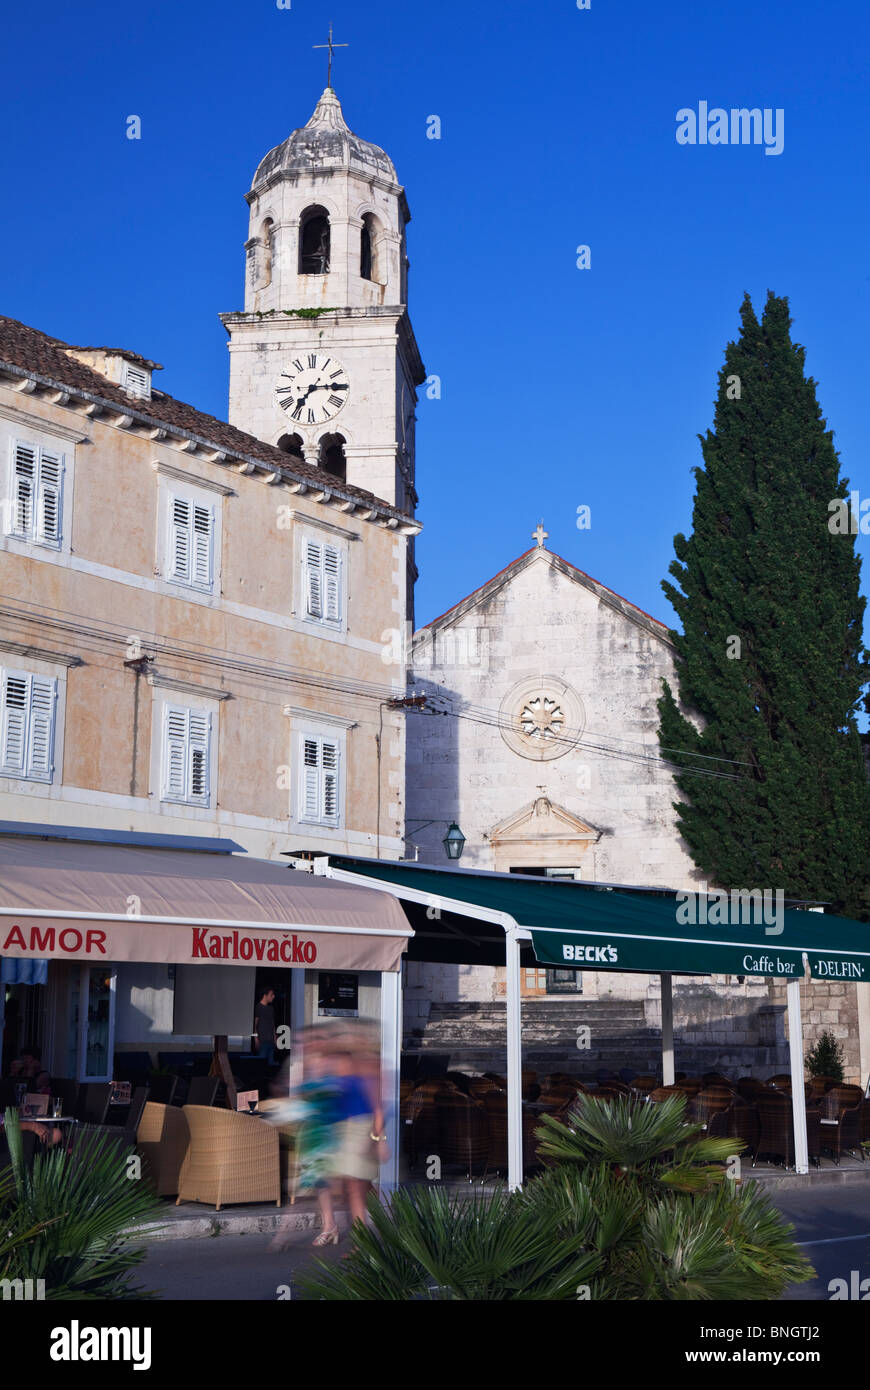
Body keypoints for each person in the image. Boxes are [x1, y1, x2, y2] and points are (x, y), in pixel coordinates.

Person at [253, 988, 277, 1067]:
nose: (273, 996)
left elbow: (272, 1024)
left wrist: (275, 1037)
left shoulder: (271, 1008)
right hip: (262, 1040)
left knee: (271, 1063)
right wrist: (256, 1038)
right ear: (265, 995)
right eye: (271, 995)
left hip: (270, 1040)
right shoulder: (258, 1007)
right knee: (261, 1063)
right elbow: (255, 1024)